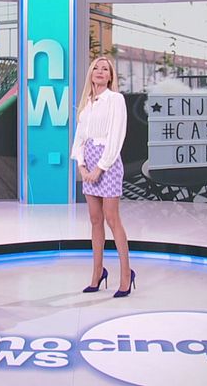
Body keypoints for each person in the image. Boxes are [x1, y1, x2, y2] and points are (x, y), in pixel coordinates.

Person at [71, 57, 135, 297]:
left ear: (110, 76)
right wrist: (81, 165)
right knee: (95, 219)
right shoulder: (87, 104)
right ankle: (97, 273)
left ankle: (126, 275)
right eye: (95, 68)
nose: (99, 71)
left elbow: (116, 137)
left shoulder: (115, 100)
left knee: (112, 218)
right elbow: (80, 138)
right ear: (90, 74)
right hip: (88, 164)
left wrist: (100, 168)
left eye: (104, 69)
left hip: (107, 164)